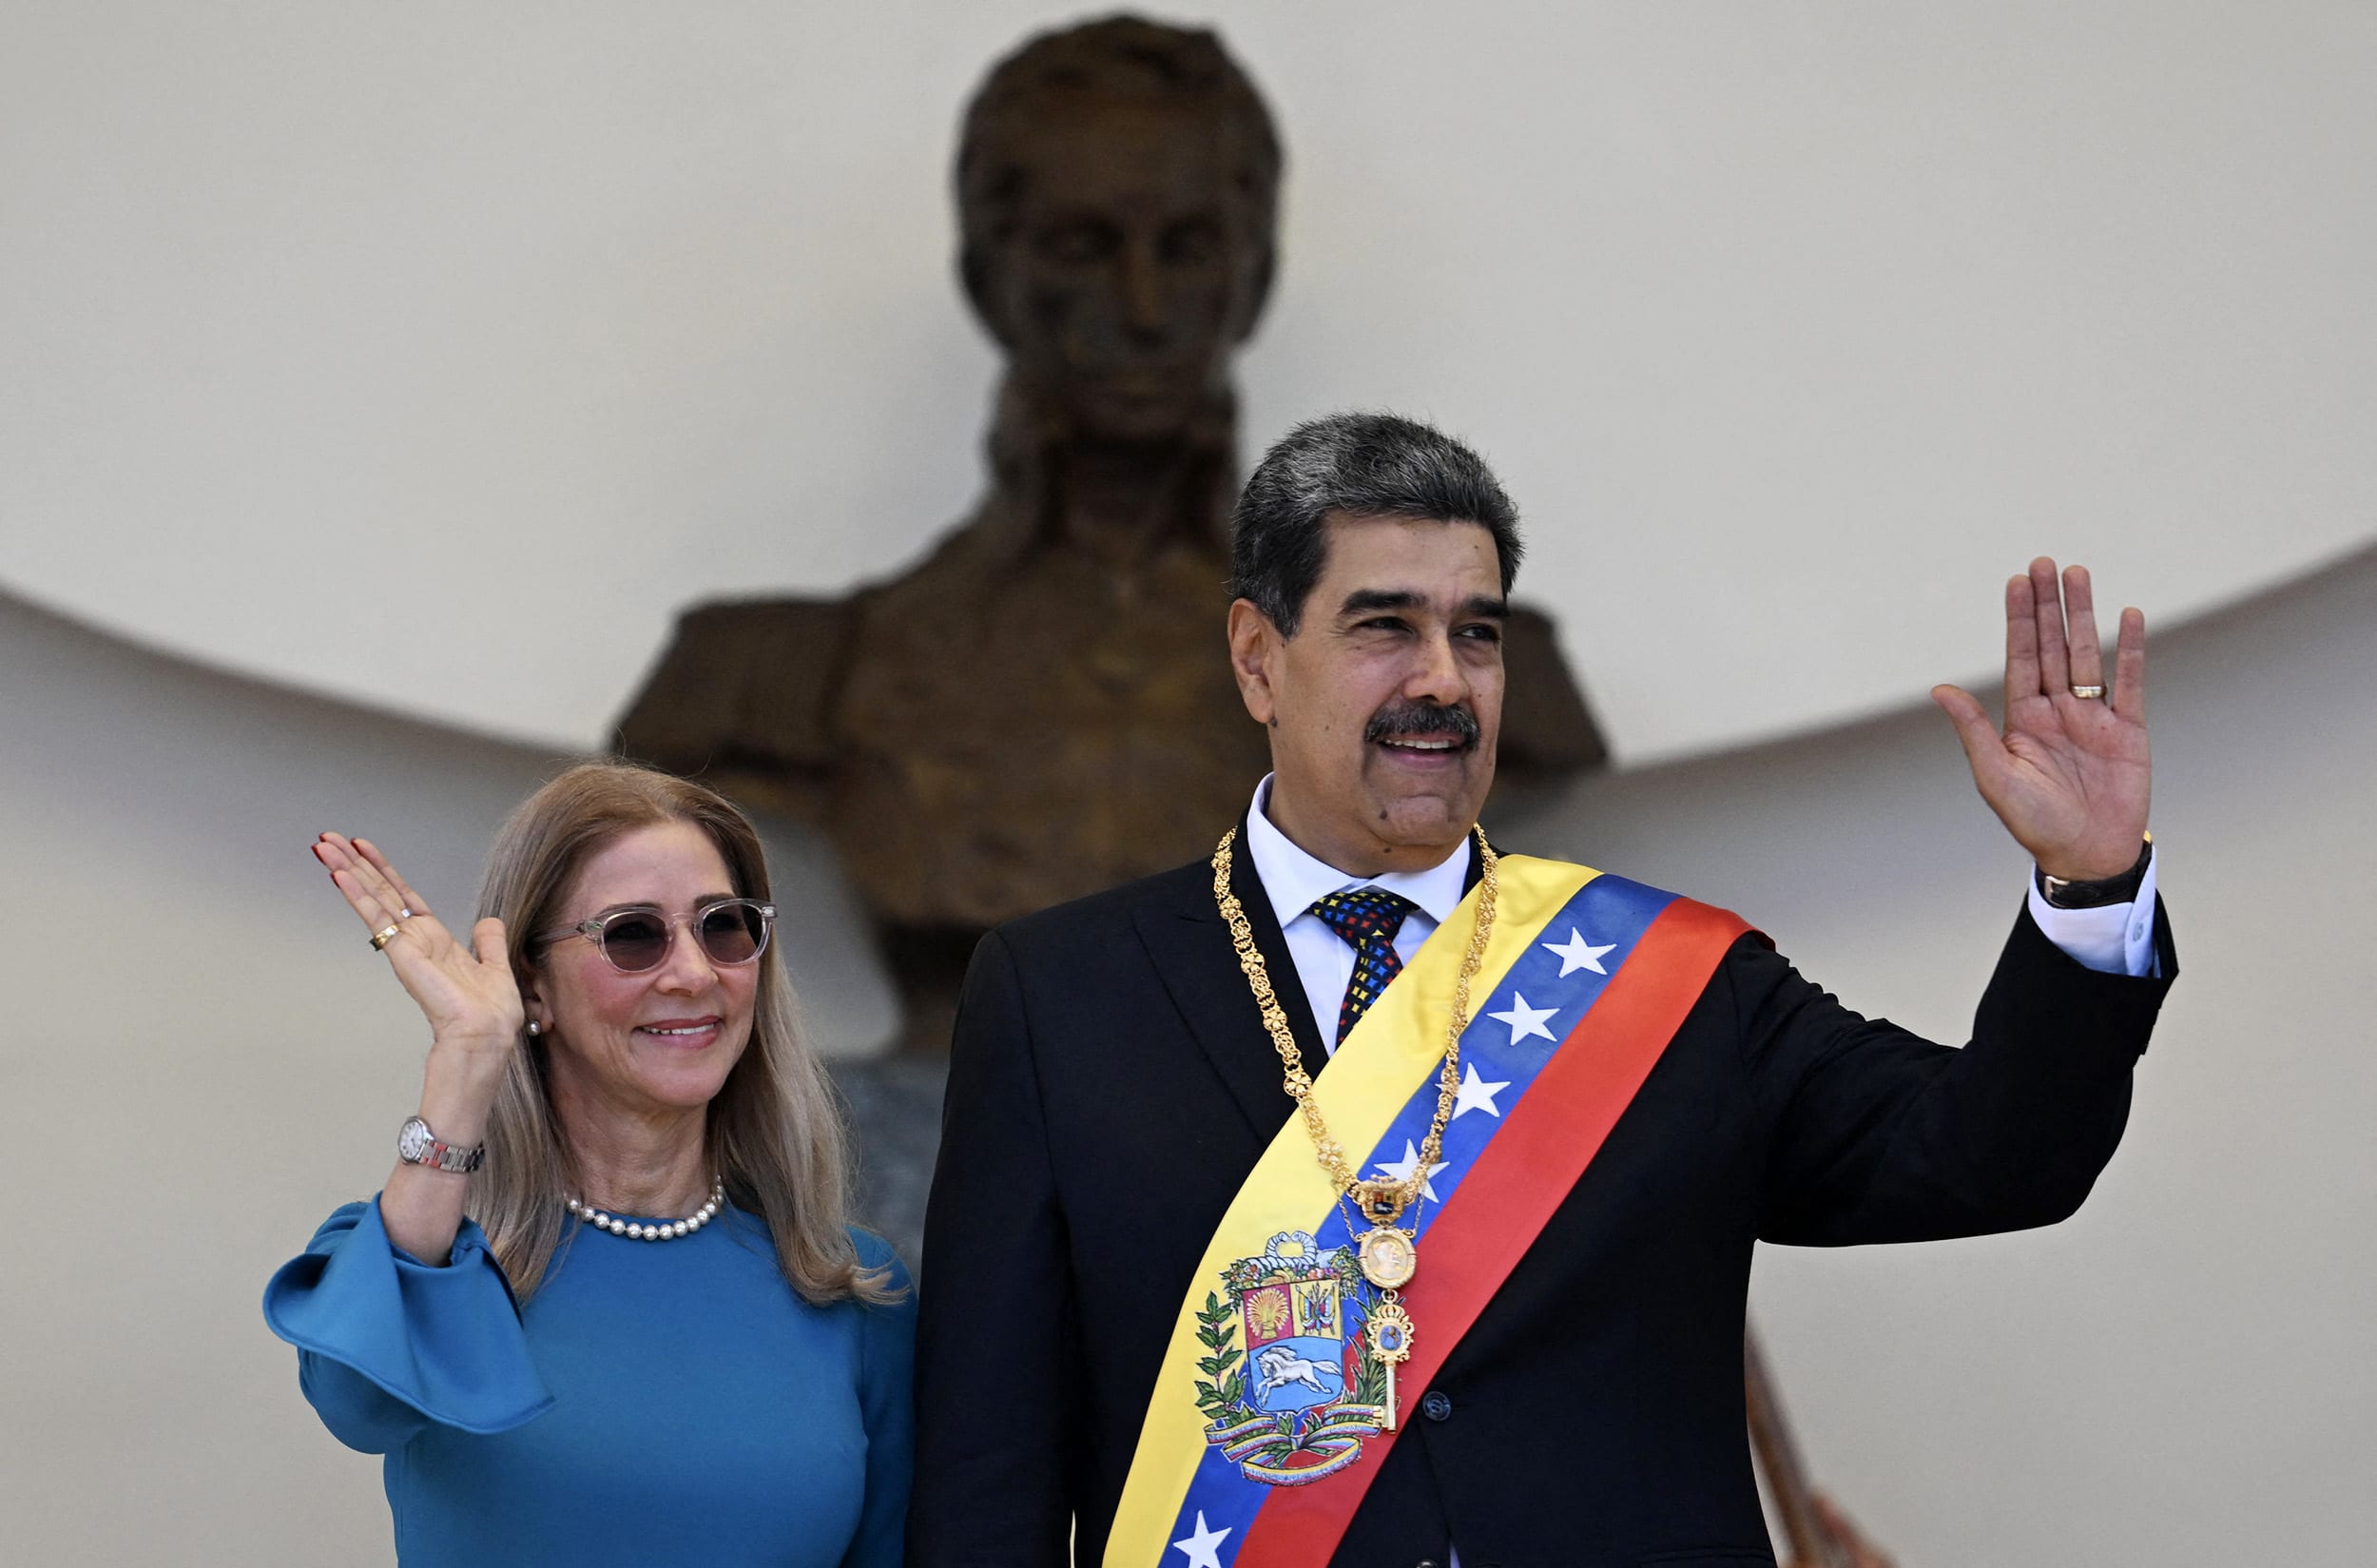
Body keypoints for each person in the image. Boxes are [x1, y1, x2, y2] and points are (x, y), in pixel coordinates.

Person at [909, 414, 2174, 1566]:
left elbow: (1994, 1155)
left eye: (1476, 633)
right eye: (1385, 626)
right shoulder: (1059, 997)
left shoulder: (1669, 982)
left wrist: (2089, 882)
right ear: (1257, 659)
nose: (1443, 680)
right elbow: (985, 1474)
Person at [614, 17, 1601, 1053]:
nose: (1142, 308)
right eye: (1083, 249)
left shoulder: (1482, 682)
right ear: (990, 278)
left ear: (1254, 276)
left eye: (1188, 249)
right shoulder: (762, 687)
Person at [263, 762, 914, 1567]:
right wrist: (469, 1057)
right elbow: (354, 1404)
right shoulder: (427, 1268)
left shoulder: (852, 1289)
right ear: (532, 986)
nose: (695, 972)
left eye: (724, 926)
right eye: (633, 934)